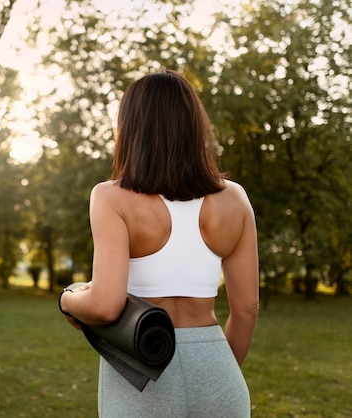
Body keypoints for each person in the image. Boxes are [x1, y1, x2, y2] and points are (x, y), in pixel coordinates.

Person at [58, 69, 259, 417]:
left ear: (131, 129)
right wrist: (213, 379)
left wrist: (68, 300)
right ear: (195, 126)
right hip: (217, 369)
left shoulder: (111, 197)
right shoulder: (235, 199)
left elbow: (106, 304)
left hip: (142, 370)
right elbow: (246, 310)